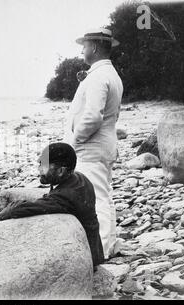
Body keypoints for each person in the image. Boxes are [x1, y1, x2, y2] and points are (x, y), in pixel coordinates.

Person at [63, 28, 123, 259]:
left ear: (95, 47)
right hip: (104, 144)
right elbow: (112, 114)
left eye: (85, 45)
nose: (82, 50)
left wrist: (73, 142)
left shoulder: (99, 76)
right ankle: (110, 243)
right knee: (104, 194)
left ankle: (103, 250)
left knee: (96, 198)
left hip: (91, 147)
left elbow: (93, 116)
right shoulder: (110, 74)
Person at [0, 142, 104, 267]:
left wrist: (3, 213)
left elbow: (23, 209)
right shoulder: (79, 178)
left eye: (44, 165)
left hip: (87, 258)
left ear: (61, 171)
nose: (39, 169)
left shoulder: (65, 196)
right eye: (40, 163)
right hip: (93, 249)